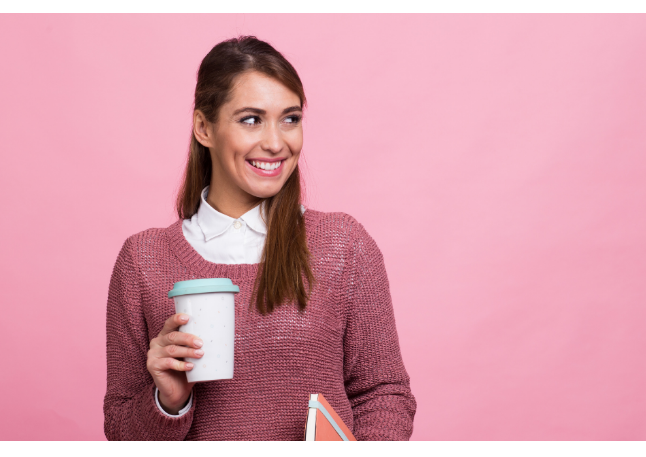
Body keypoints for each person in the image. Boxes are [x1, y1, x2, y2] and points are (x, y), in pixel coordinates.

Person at [104, 36, 416, 441]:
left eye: (290, 118)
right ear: (204, 127)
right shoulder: (143, 260)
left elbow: (383, 394)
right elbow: (120, 427)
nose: (275, 142)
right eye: (251, 119)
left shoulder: (344, 246)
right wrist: (169, 402)